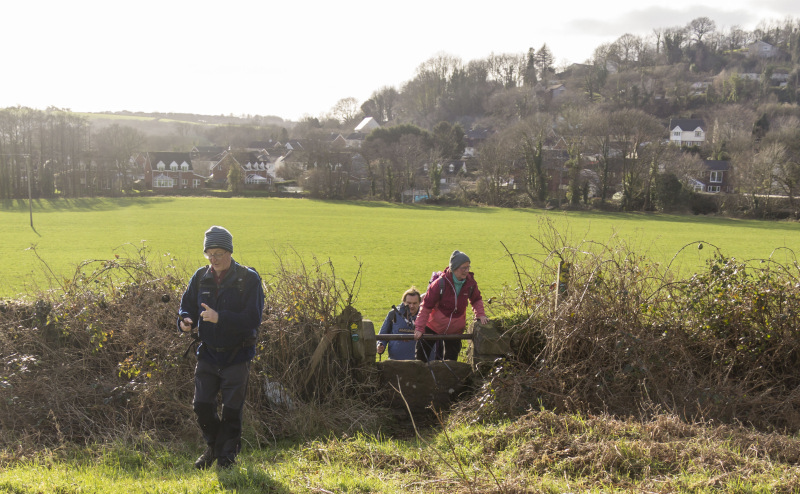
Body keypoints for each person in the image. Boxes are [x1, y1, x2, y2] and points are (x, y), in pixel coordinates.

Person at [178, 226, 265, 470]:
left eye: (218, 253)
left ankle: (226, 458)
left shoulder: (248, 279)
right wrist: (185, 321)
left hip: (237, 354)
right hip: (208, 353)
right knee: (202, 406)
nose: (214, 259)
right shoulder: (200, 276)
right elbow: (187, 306)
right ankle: (215, 447)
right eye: (209, 254)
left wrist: (220, 317)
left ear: (229, 252)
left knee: (231, 410)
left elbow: (253, 318)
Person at [414, 250, 489, 362]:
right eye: (463, 268)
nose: (466, 271)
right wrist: (419, 328)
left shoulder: (470, 284)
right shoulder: (439, 284)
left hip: (455, 329)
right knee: (421, 358)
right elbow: (426, 306)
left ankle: (447, 379)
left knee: (451, 362)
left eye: (468, 267)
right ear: (454, 268)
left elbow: (476, 299)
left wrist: (481, 314)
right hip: (433, 326)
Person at [376, 287, 421, 360]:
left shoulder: (426, 317)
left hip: (418, 363)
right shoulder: (393, 314)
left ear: (419, 303)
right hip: (395, 363)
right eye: (409, 303)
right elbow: (382, 335)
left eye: (415, 303)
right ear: (404, 302)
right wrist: (380, 345)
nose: (412, 306)